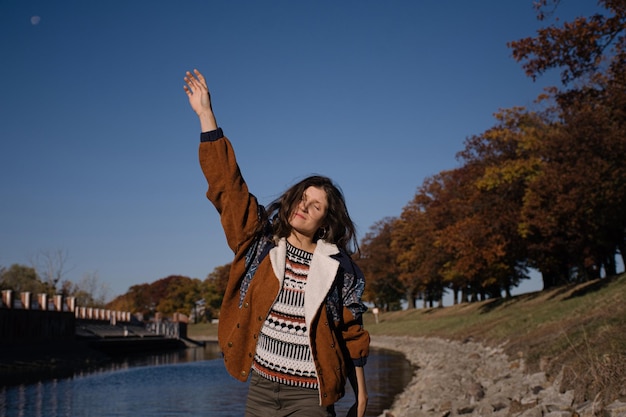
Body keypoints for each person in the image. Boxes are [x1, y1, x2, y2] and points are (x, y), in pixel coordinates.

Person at [183, 69, 370, 417]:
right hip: (261, 391)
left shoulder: (338, 268)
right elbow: (229, 188)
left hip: (310, 396)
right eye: (302, 198)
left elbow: (351, 331)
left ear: (325, 221)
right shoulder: (260, 243)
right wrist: (207, 117)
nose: (304, 207)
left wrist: (360, 394)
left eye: (315, 206)